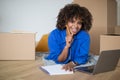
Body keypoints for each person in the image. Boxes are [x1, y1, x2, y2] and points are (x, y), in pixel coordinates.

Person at [43, 3, 93, 71]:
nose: (75, 26)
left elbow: (83, 57)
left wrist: (73, 63)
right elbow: (59, 60)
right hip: (58, 64)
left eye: (79, 23)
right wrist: (67, 46)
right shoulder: (54, 35)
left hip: (75, 64)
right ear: (65, 21)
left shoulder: (84, 36)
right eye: (72, 21)